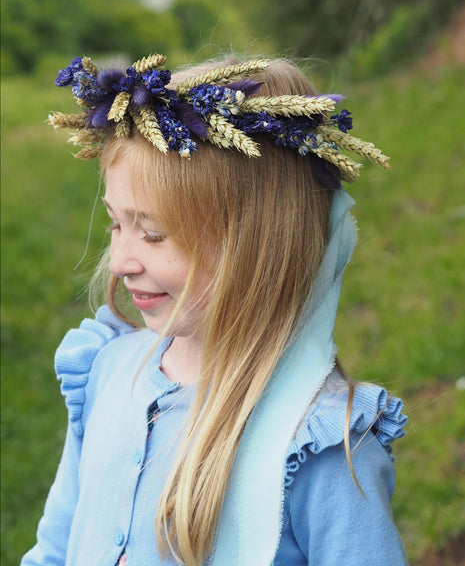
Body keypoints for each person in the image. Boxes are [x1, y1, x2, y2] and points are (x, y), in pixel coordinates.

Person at [21, 53, 408, 566]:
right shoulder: (107, 371)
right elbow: (55, 547)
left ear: (257, 247)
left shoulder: (317, 446)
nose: (119, 261)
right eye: (116, 224)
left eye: (154, 235)